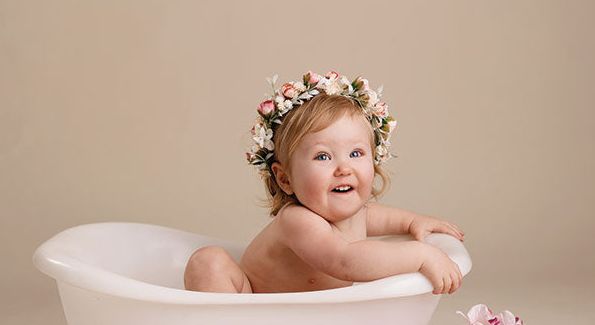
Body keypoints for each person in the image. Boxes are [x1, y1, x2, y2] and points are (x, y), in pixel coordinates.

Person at [184, 70, 465, 295]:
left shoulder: (357, 213)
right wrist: (420, 255)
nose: (344, 168)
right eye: (322, 157)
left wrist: (414, 223)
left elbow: (386, 218)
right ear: (285, 179)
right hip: (253, 310)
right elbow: (345, 261)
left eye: (356, 153)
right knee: (208, 261)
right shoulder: (297, 221)